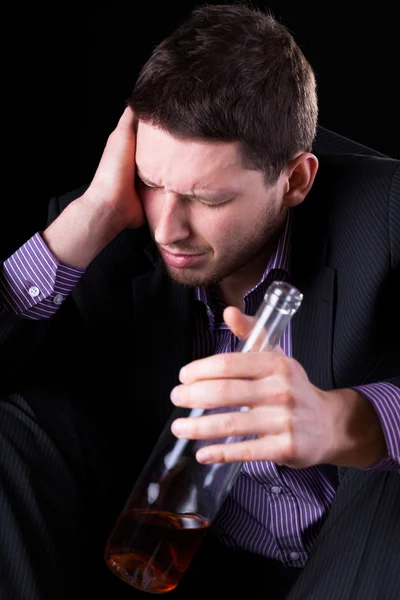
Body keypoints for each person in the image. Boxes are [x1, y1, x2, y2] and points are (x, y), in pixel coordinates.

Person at [1, 3, 399, 599]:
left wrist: (350, 423)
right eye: (153, 182)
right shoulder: (106, 227)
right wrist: (87, 220)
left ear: (296, 180)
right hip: (183, 569)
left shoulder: (387, 214)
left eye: (208, 199)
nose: (166, 228)